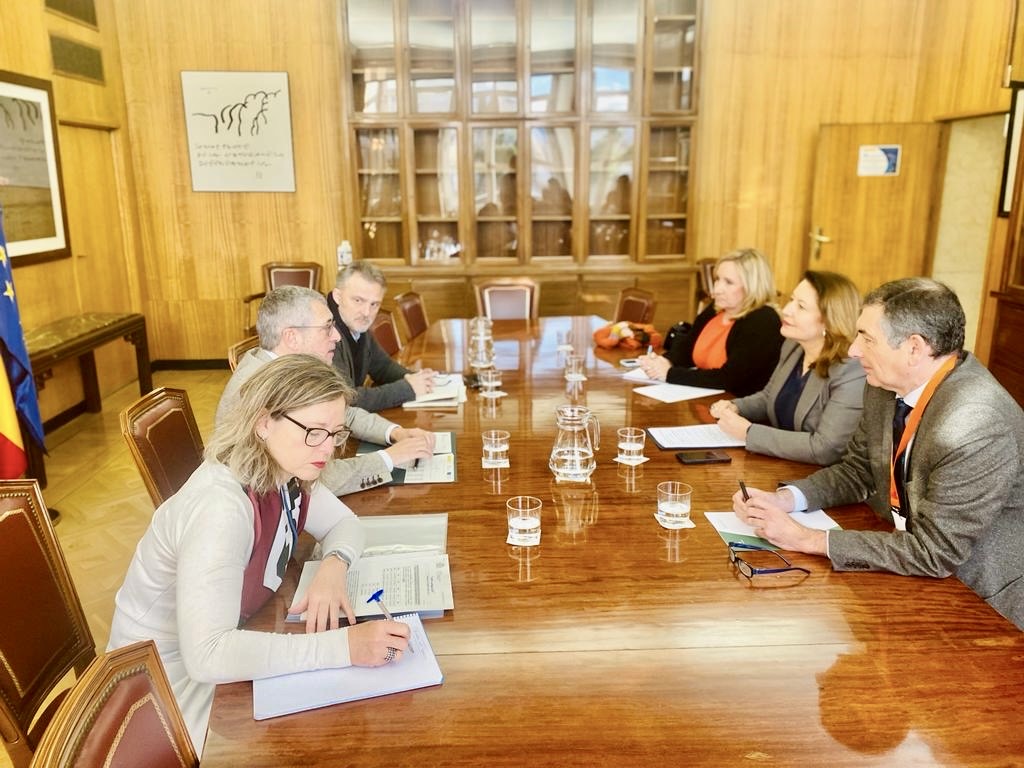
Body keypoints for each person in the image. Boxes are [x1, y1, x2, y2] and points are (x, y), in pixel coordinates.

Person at [108, 356, 412, 754]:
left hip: (234, 640)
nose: (326, 449)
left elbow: (346, 525)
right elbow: (208, 657)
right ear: (264, 422)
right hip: (165, 693)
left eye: (335, 434)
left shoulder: (289, 468)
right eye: (314, 432)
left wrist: (333, 567)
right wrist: (346, 646)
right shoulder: (221, 507)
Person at [733, 278, 1024, 629]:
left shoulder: (975, 424)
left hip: (978, 602)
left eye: (867, 338)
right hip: (906, 564)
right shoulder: (886, 385)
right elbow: (859, 468)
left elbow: (936, 553)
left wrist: (805, 538)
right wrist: (787, 499)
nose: (853, 350)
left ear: (914, 348)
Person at [217, 286, 435, 494]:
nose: (337, 337)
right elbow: (311, 480)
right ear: (292, 337)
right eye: (327, 327)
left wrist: (395, 433)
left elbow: (342, 413)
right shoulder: (265, 388)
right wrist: (389, 459)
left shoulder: (284, 366)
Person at [709, 270, 865, 465]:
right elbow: (768, 398)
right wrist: (736, 407)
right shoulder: (793, 345)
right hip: (779, 465)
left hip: (821, 480)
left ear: (829, 319)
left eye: (801, 306)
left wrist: (749, 433)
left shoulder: (851, 369)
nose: (786, 310)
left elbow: (826, 448)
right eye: (791, 300)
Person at [638, 247, 782, 396]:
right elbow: (687, 348)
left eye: (729, 282)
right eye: (717, 279)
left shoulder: (763, 320)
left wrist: (670, 374)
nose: (717, 289)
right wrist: (665, 361)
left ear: (752, 286)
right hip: (704, 399)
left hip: (738, 408)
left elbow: (730, 379)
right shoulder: (716, 308)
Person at [327, 261, 436, 411]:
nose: (366, 312)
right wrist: (407, 388)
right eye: (358, 300)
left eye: (374, 304)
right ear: (338, 296)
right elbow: (346, 400)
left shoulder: (354, 322)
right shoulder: (326, 333)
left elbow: (382, 367)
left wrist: (415, 378)